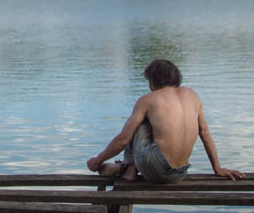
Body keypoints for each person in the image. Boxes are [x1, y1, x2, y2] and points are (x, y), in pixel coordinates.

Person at [86, 59, 243, 183]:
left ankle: (128, 167)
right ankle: (126, 167)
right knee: (150, 119)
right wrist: (218, 169)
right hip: (179, 174)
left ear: (153, 80)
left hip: (154, 170)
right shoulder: (193, 96)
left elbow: (123, 139)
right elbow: (205, 134)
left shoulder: (148, 100)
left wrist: (98, 159)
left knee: (139, 122)